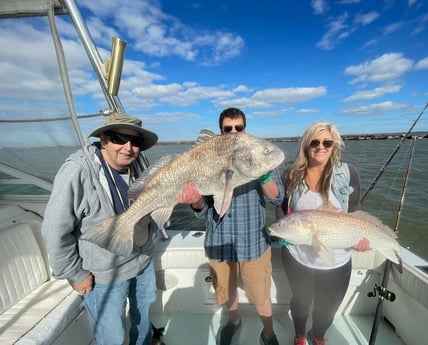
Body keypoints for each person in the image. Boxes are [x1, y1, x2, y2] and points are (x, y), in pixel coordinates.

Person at [41, 112, 162, 345]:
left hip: (142, 260)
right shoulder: (78, 170)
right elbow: (54, 229)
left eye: (135, 142)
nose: (128, 148)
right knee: (112, 338)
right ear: (103, 139)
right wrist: (76, 274)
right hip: (103, 273)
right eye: (119, 138)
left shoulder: (139, 163)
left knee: (143, 322)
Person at [179, 107, 285, 345]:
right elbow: (202, 210)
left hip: (253, 243)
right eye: (228, 129)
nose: (234, 131)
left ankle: (268, 333)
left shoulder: (259, 155)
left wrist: (264, 175)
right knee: (226, 293)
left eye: (239, 127)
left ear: (245, 129)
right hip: (219, 241)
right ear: (221, 131)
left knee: (260, 294)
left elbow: (277, 198)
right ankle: (234, 321)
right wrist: (194, 198)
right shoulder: (209, 158)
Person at [278, 122, 370, 345]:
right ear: (306, 145)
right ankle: (299, 334)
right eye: (315, 142)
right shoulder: (291, 174)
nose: (321, 147)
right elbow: (282, 208)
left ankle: (317, 335)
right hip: (298, 257)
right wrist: (282, 233)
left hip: (337, 260)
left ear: (334, 145)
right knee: (300, 301)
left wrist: (362, 237)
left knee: (328, 307)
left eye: (327, 142)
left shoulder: (348, 173)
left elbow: (355, 211)